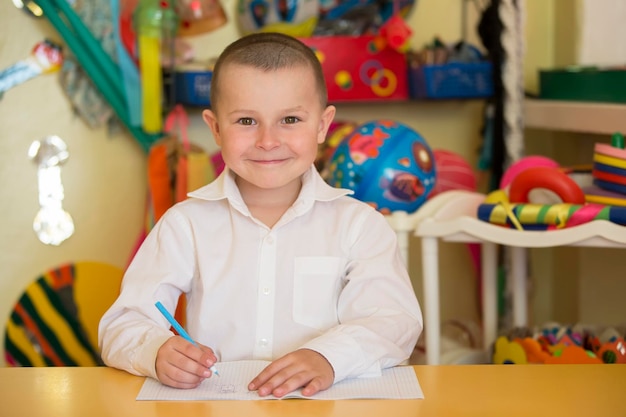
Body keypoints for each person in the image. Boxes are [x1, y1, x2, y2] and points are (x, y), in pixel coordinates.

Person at [98, 32, 423, 398]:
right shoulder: (185, 224)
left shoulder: (360, 225)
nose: (268, 141)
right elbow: (122, 325)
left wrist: (328, 357)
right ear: (216, 127)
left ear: (322, 124)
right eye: (246, 122)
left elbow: (394, 322)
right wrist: (155, 351)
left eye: (290, 119)